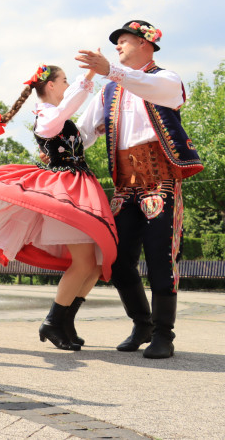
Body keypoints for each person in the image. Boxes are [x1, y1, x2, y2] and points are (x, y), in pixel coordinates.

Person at [0, 64, 116, 350]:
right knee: (84, 262)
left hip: (80, 189)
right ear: (50, 85)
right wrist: (89, 77)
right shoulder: (46, 114)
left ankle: (65, 321)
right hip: (64, 194)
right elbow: (67, 110)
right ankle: (51, 322)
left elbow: (80, 137)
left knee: (95, 266)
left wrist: (96, 123)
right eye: (64, 81)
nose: (67, 85)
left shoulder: (58, 117)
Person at [76, 21, 202, 359]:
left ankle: (164, 334)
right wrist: (54, 138)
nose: (118, 45)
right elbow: (85, 132)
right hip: (125, 188)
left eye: (125, 40)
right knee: (116, 260)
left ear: (147, 44)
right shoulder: (108, 91)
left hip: (159, 184)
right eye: (116, 42)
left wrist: (111, 71)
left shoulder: (166, 80)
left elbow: (144, 85)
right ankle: (142, 322)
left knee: (162, 259)